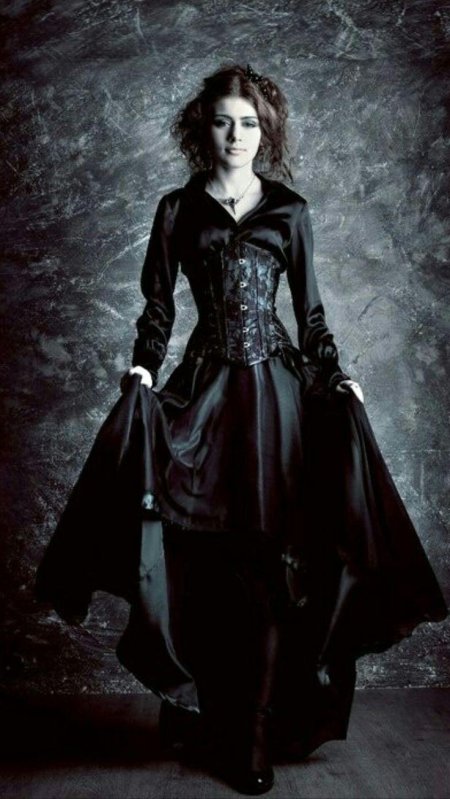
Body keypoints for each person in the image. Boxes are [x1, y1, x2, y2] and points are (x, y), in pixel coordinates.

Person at [35, 64, 448, 796]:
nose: (237, 135)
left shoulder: (290, 210)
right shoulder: (176, 209)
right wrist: (142, 368)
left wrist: (336, 375)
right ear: (205, 128)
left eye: (250, 123)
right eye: (224, 121)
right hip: (207, 393)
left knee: (274, 558)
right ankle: (207, 712)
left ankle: (254, 731)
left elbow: (310, 315)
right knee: (205, 557)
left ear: (267, 131)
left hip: (278, 398)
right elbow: (158, 309)